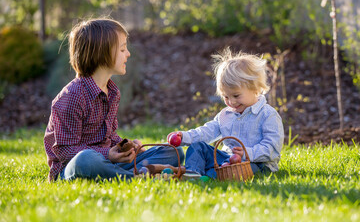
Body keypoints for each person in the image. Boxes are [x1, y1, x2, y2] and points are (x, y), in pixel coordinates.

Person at [44, 18, 184, 182]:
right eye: (123, 49)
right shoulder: (71, 96)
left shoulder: (112, 92)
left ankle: (128, 172)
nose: (128, 54)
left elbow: (108, 137)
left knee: (173, 152)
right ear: (101, 53)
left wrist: (128, 148)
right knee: (87, 159)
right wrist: (107, 154)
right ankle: (136, 177)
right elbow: (65, 151)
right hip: (71, 168)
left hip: (108, 162)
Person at [168, 48, 284, 179]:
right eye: (226, 97)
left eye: (236, 95)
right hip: (227, 159)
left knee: (234, 171)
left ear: (255, 88)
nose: (232, 102)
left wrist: (247, 153)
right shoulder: (226, 115)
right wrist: (184, 137)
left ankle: (211, 174)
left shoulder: (267, 115)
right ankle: (192, 173)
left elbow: (272, 147)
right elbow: (206, 132)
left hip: (257, 163)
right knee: (198, 147)